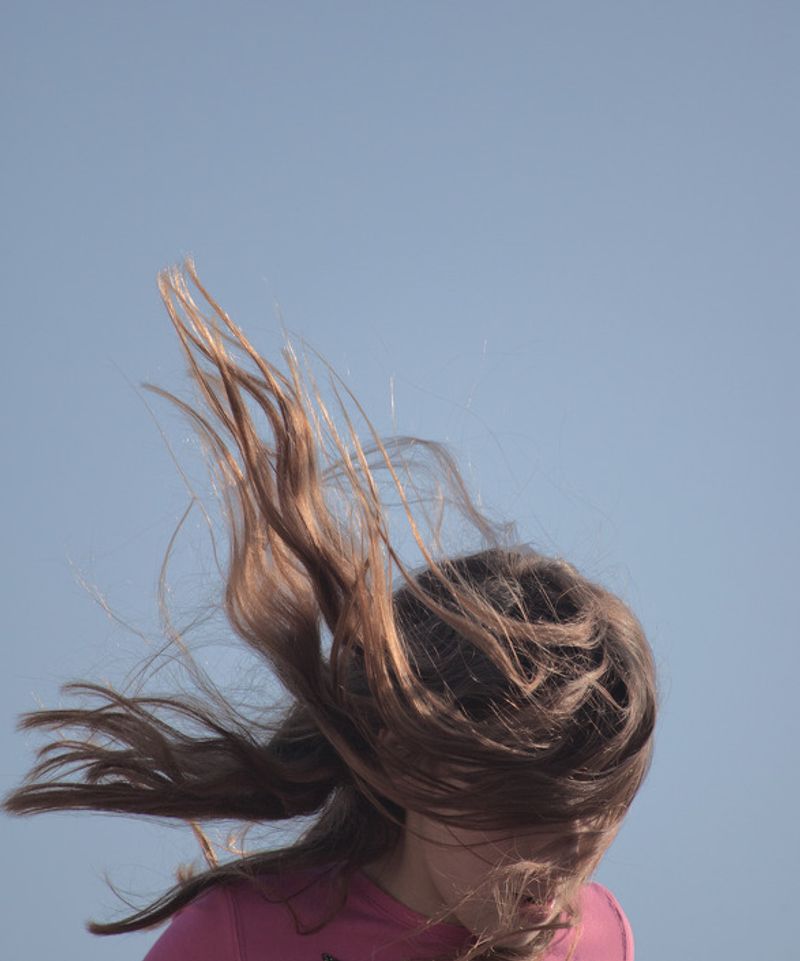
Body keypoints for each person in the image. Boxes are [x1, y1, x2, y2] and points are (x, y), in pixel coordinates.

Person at [4, 259, 657, 961]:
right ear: (407, 756)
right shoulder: (240, 939)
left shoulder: (600, 938)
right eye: (529, 807)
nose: (569, 855)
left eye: (599, 809)